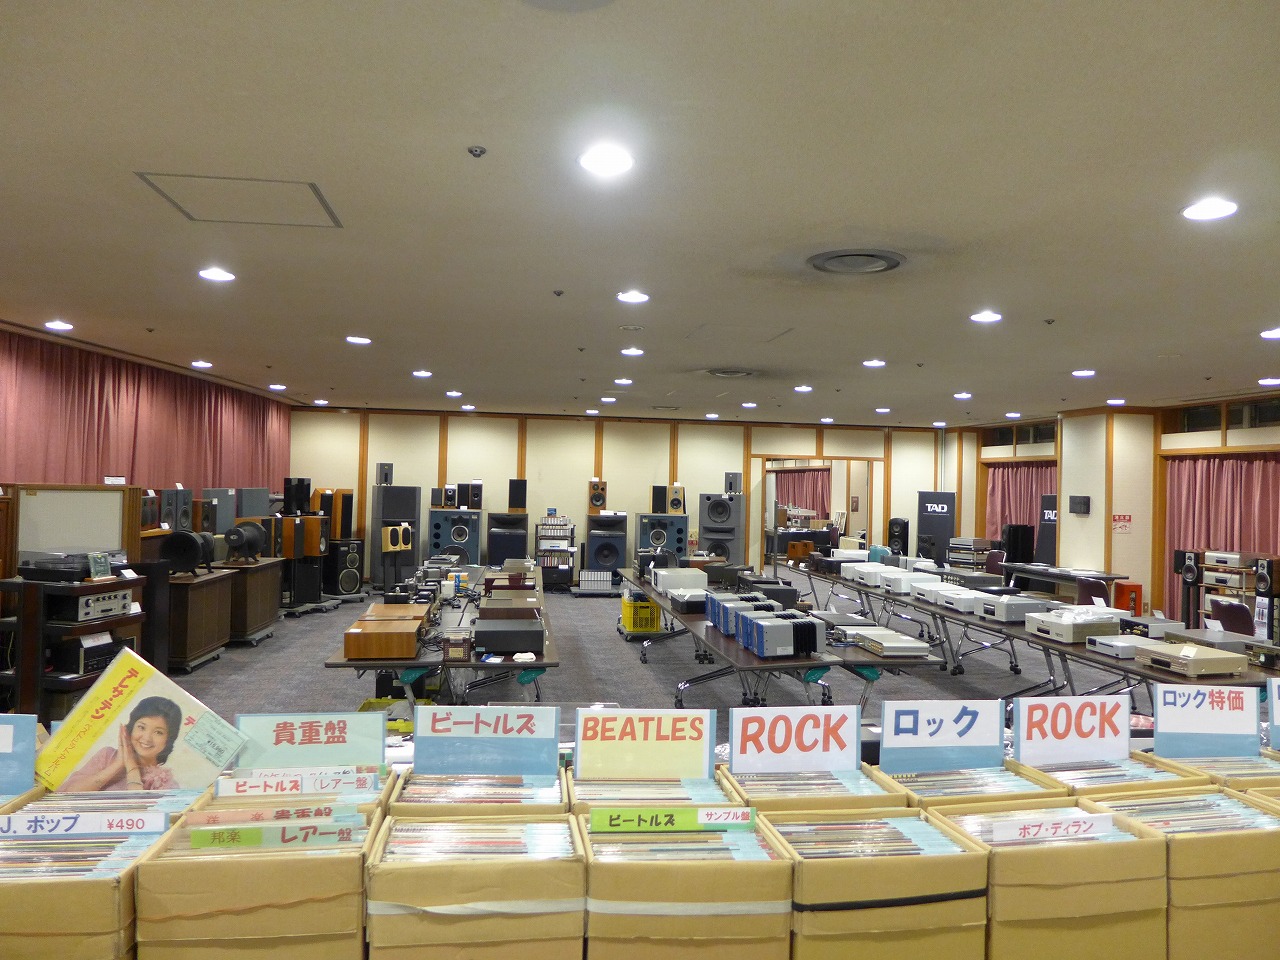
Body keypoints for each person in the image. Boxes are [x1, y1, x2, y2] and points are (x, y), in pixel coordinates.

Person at [61, 696, 183, 791]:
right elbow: (68, 794)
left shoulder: (166, 783)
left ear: (169, 739)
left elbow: (136, 812)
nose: (147, 738)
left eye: (158, 732)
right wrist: (118, 764)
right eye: (141, 727)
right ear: (131, 727)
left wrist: (132, 767)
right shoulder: (107, 756)